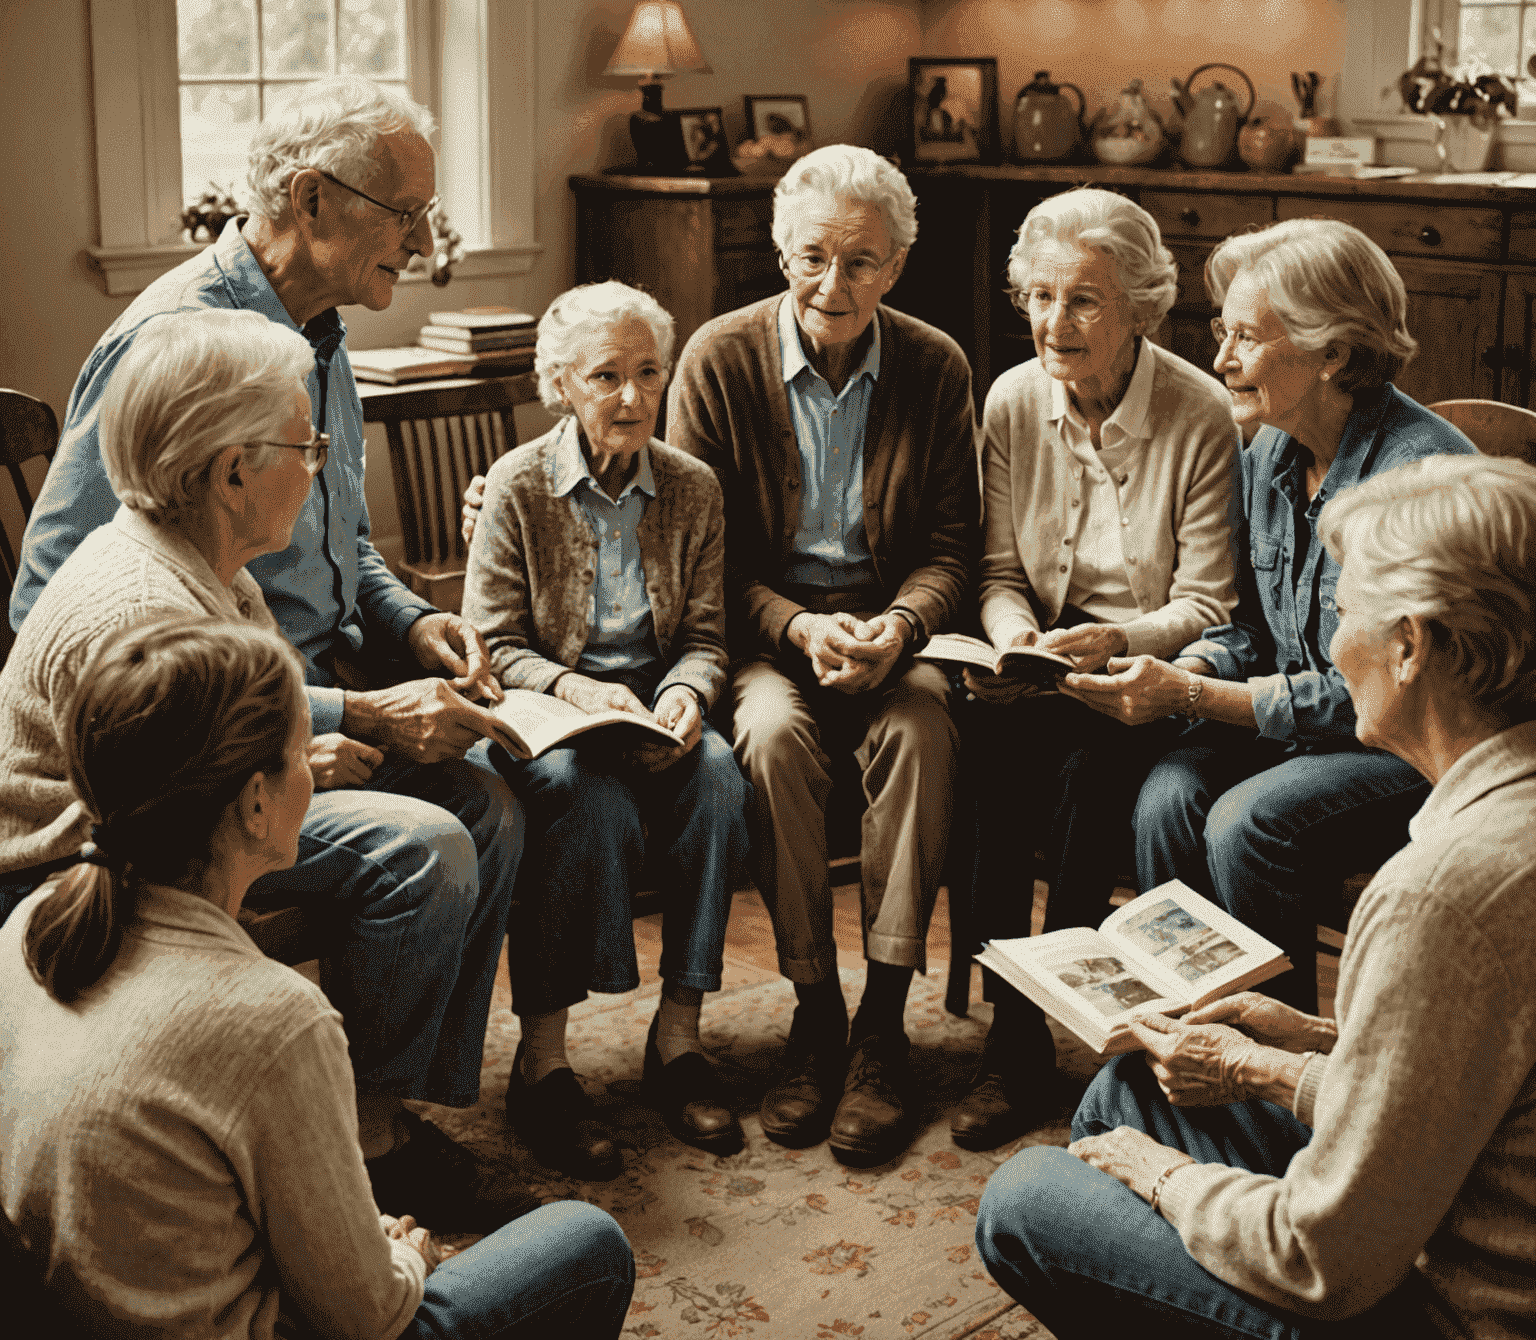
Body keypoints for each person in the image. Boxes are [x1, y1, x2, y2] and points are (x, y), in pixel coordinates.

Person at [975, 452, 1536, 1340]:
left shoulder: (1441, 895)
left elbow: (1324, 1261)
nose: (1334, 644)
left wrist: (1156, 1177)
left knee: (1028, 1195)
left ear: (1411, 645)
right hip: (1459, 1221)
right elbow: (1469, 1093)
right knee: (1135, 1088)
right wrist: (1290, 1055)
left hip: (1448, 1312)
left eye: (1342, 612)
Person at [0, 311, 523, 1230]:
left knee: (481, 796)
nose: (317, 468)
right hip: (78, 858)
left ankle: (384, 1102)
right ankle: (360, 1143)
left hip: (201, 795)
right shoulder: (144, 601)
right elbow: (180, 816)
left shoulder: (211, 556)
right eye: (304, 445)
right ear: (233, 469)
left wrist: (303, 752)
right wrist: (310, 754)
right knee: (424, 844)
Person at [0, 615, 635, 1340]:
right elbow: (369, 1316)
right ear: (256, 803)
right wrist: (407, 1259)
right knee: (590, 1245)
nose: (316, 766)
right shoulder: (276, 1019)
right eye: (302, 752)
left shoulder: (35, 925)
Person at [9, 77, 523, 951]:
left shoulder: (321, 335)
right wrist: (339, 718)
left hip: (318, 694)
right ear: (312, 198)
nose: (425, 241)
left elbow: (347, 541)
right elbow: (52, 603)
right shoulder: (173, 342)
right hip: (206, 746)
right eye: (406, 211)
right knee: (442, 840)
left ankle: (384, 1083)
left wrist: (412, 621)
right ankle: (341, 1078)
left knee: (503, 796)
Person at [1062, 218, 1477, 1012]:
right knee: (1166, 796)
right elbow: (1245, 625)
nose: (1221, 360)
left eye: (1247, 337)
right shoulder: (1269, 452)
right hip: (1300, 728)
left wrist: (1192, 699)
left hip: (1408, 744)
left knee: (1249, 822)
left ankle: (1275, 1068)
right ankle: (1185, 1035)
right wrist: (1186, 670)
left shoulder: (1417, 476)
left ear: (1335, 354)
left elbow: (1377, 694)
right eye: (1225, 331)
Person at [666, 143, 979, 1168]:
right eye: (811, 258)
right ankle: (815, 1009)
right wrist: (797, 628)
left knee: (927, 728)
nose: (831, 286)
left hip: (892, 635)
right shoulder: (717, 359)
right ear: (779, 252)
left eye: (861, 263)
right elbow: (702, 555)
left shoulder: (935, 365)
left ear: (896, 266)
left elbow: (949, 546)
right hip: (769, 631)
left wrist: (900, 629)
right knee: (766, 734)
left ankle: (882, 1021)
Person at [954, 188, 1239, 1150]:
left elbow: (1210, 604)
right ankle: (1013, 1032)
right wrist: (1007, 639)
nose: (1052, 323)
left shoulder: (1200, 413)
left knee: (1088, 775)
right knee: (987, 758)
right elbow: (998, 575)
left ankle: (1072, 1021)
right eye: (1039, 297)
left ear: (1141, 311)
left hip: (1150, 668)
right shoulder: (1011, 399)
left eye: (1082, 301)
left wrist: (1118, 644)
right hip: (1042, 656)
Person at [461, 282, 750, 1178]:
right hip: (549, 724)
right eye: (606, 376)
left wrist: (686, 695)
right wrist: (581, 695)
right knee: (586, 804)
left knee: (720, 780)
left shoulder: (694, 487)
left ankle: (678, 1042)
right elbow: (493, 643)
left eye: (647, 373)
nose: (631, 398)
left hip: (652, 714)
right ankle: (543, 1064)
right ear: (561, 383)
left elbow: (705, 637)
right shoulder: (516, 487)